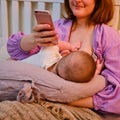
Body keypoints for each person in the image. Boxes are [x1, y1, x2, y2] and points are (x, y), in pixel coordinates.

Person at [7, 0, 120, 114]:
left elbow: (117, 89)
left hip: (81, 107)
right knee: (8, 110)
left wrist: (67, 100)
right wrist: (34, 39)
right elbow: (15, 53)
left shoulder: (108, 36)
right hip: (41, 100)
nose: (77, 0)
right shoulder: (57, 27)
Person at [22, 40, 96, 83]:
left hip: (20, 64)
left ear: (65, 54)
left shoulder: (49, 54)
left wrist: (70, 46)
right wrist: (97, 71)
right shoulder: (56, 81)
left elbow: (54, 43)